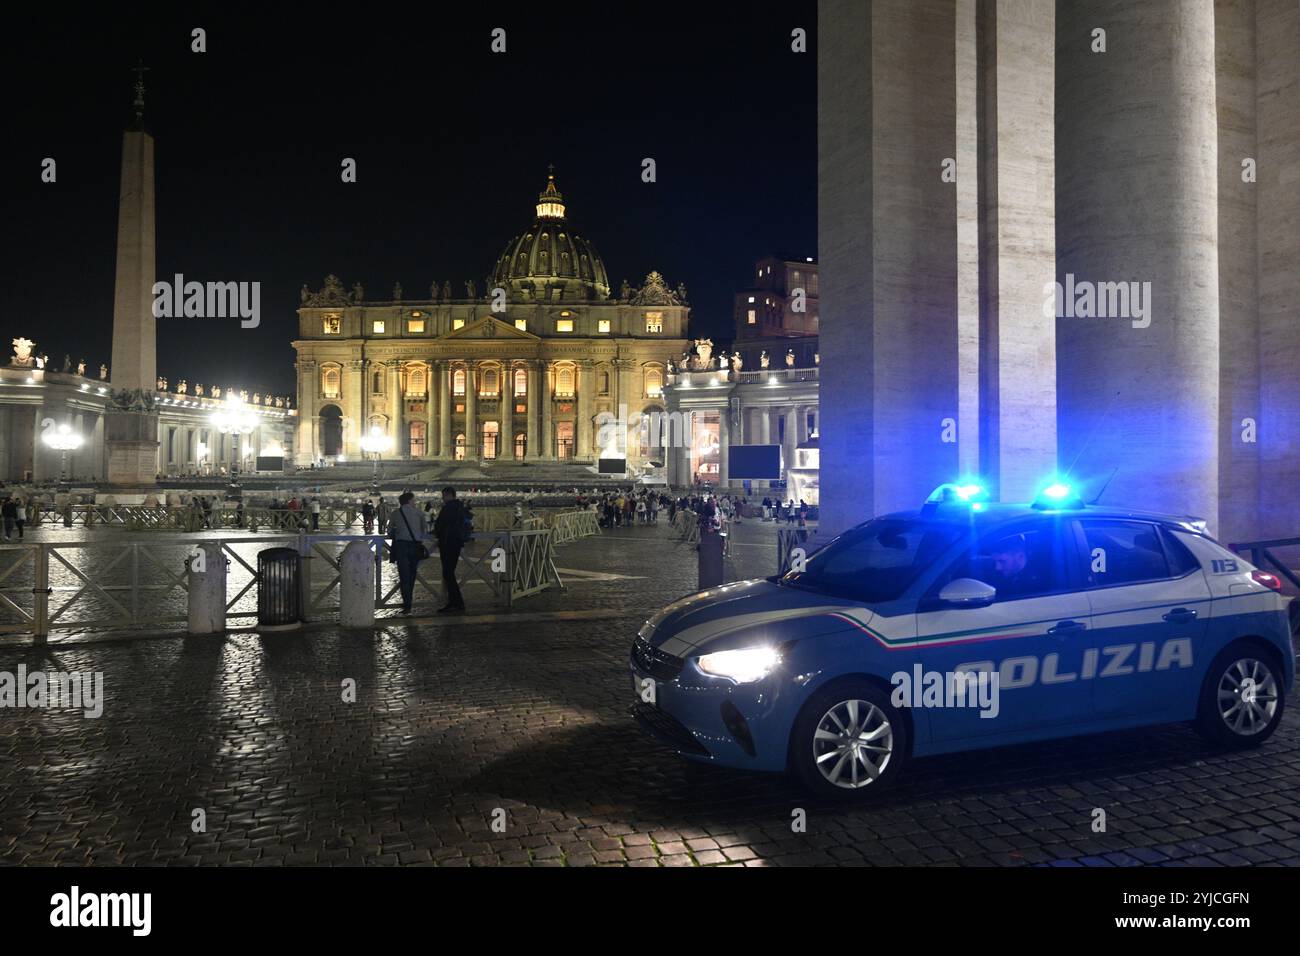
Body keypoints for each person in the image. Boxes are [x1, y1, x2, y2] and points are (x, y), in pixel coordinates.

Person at [388, 491, 431, 615]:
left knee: (404, 576)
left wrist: (398, 532)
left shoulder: (396, 513)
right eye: (414, 500)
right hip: (415, 546)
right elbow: (425, 529)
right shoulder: (418, 512)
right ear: (409, 501)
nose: (415, 502)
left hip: (401, 547)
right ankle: (409, 602)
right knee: (412, 575)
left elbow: (389, 530)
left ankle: (407, 606)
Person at [432, 486, 468, 613]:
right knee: (449, 574)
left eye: (443, 495)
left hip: (448, 544)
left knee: (448, 574)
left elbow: (441, 525)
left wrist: (435, 532)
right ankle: (455, 602)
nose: (442, 498)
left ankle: (456, 603)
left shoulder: (448, 508)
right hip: (456, 543)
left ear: (448, 495)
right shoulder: (459, 507)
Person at [986, 534, 1045, 598]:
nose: (997, 567)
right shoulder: (1001, 575)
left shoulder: (1038, 585)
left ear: (1020, 556)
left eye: (1002, 561)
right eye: (995, 561)